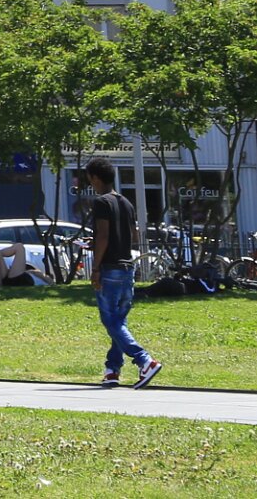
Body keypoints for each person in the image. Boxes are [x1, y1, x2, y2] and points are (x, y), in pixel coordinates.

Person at [83, 158, 161, 388]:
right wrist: (98, 242)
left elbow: (104, 235)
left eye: (90, 179)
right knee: (119, 321)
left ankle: (144, 360)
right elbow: (132, 235)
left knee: (110, 321)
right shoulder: (125, 202)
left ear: (95, 178)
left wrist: (95, 267)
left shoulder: (101, 202)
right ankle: (112, 369)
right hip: (127, 268)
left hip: (110, 269)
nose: (91, 184)